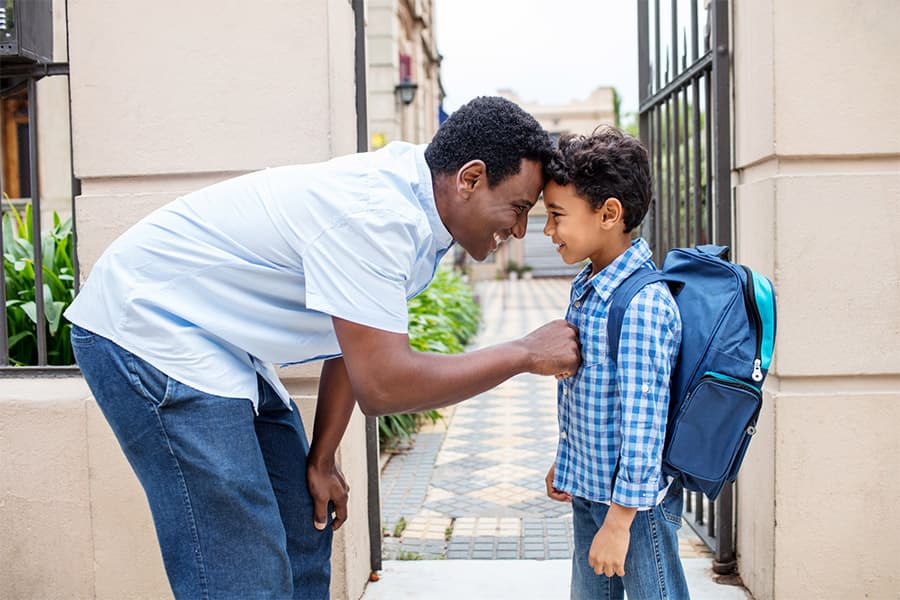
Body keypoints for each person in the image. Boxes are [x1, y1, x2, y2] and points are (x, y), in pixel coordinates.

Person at [65, 96, 581, 599]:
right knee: (246, 573)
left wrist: (324, 456)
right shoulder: (377, 216)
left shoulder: (416, 204)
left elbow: (353, 341)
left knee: (302, 527)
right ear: (469, 179)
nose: (518, 229)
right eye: (517, 208)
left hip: (218, 344)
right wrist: (523, 353)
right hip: (148, 329)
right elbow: (383, 384)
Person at [541, 126, 689, 599]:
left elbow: (643, 422)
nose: (547, 231)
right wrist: (567, 462)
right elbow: (587, 391)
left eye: (556, 216)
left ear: (608, 214)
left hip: (635, 509)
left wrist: (620, 522)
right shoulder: (588, 287)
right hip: (591, 494)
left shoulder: (642, 303)